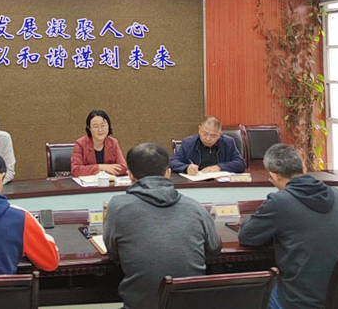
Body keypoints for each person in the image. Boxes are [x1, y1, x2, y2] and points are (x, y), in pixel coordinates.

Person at [238, 144, 338, 309]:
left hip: (300, 301)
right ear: (303, 168)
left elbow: (246, 236)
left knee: (251, 296)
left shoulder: (279, 202)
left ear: (273, 176)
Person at [104, 143, 220, 309]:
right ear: (168, 173)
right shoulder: (194, 207)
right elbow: (214, 248)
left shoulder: (117, 206)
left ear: (130, 175)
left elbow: (113, 253)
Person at [169, 116, 246, 174]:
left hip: (220, 184)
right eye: (205, 134)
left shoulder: (228, 143)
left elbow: (240, 163)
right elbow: (173, 162)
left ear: (219, 134)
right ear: (199, 130)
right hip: (195, 183)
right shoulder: (188, 143)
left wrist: (219, 167)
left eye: (213, 136)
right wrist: (186, 168)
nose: (208, 139)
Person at [71, 110, 128, 177]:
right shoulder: (80, 144)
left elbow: (123, 167)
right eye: (95, 126)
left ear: (108, 126)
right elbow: (76, 170)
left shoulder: (113, 142)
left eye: (103, 125)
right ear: (89, 128)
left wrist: (101, 172)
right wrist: (101, 167)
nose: (100, 130)